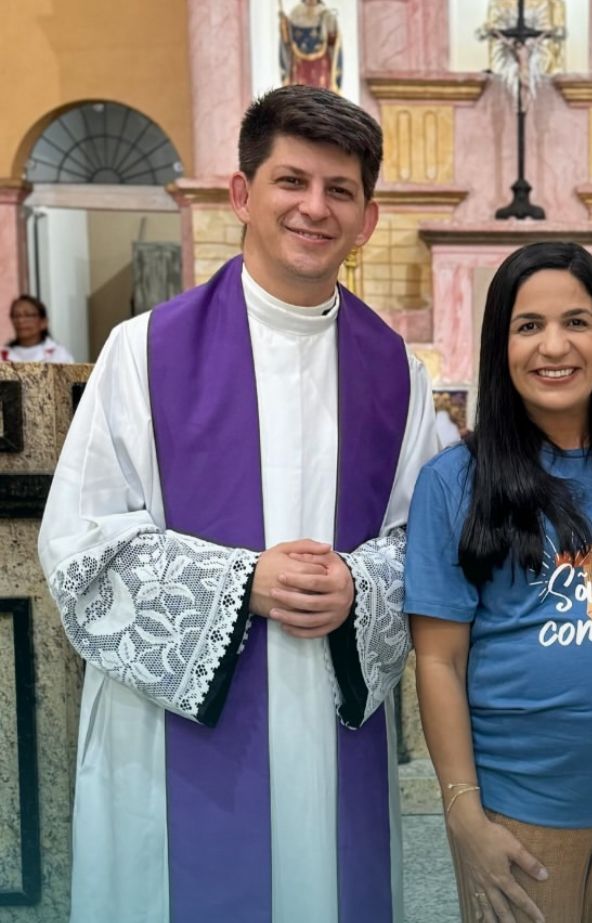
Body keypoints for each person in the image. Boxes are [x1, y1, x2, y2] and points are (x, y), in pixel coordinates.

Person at [39, 84, 438, 923]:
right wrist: (240, 584)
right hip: (174, 732)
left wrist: (361, 586)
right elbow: (80, 547)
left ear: (367, 219)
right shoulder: (144, 352)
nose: (315, 208)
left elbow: (425, 541)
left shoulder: (397, 374)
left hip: (331, 721)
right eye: (292, 181)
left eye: (341, 190)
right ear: (241, 194)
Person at [406, 242, 592, 923]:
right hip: (526, 800)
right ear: (499, 345)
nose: (554, 346)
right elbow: (438, 660)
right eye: (528, 325)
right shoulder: (456, 481)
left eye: (576, 321)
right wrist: (463, 814)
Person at [280, 0, 343, 92]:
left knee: (321, 95)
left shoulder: (326, 14)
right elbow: (287, 43)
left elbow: (333, 42)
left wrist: (331, 29)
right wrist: (284, 27)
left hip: (321, 65)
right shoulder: (295, 14)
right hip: (300, 65)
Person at [2, 294, 74, 362]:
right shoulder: (3, 355)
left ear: (43, 322)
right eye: (16, 316)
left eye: (28, 315)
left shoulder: (58, 355)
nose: (20, 321)